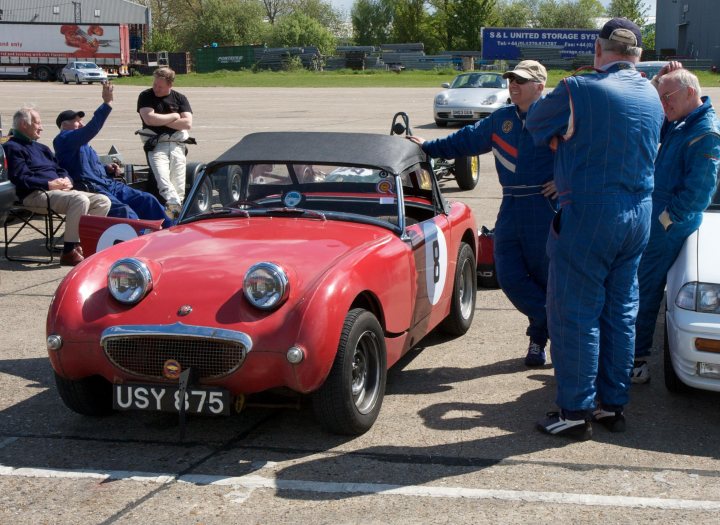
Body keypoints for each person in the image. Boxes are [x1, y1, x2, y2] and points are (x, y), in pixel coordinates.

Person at [526, 18, 665, 439]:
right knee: (621, 312)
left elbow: (536, 125)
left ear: (599, 51)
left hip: (589, 214)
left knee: (574, 313)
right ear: (638, 56)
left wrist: (563, 139)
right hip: (638, 214)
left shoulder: (579, 89)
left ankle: (575, 408)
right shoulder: (653, 96)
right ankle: (612, 404)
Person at [409, 60, 557, 367]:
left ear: (540, 87)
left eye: (521, 81)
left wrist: (567, 181)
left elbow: (586, 153)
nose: (513, 84)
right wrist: (429, 147)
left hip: (545, 208)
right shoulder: (501, 120)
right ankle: (561, 324)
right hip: (512, 205)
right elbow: (464, 140)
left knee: (546, 277)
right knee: (509, 275)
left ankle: (538, 340)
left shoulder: (557, 116)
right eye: (511, 79)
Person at [632, 65, 720, 383]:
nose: (663, 104)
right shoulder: (682, 121)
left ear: (690, 93)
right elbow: (657, 124)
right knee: (640, 283)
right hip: (659, 216)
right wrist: (659, 82)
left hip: (669, 223)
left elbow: (699, 193)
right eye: (662, 97)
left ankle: (638, 360)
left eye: (667, 97)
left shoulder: (705, 132)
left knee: (645, 285)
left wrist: (667, 221)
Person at [53, 82, 173, 229]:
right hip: (91, 188)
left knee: (147, 199)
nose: (81, 124)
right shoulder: (63, 139)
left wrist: (106, 168)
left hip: (107, 183)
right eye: (77, 122)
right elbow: (92, 129)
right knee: (125, 212)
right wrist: (107, 103)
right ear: (64, 125)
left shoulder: (82, 144)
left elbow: (88, 166)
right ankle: (139, 239)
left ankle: (170, 229)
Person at [4, 105, 111, 266]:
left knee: (103, 200)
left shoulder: (42, 148)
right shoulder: (12, 147)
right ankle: (69, 251)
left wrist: (67, 180)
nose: (41, 127)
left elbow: (60, 169)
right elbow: (20, 177)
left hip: (58, 192)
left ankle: (84, 244)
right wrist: (48, 184)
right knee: (79, 200)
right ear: (24, 125)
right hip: (35, 194)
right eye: (38, 123)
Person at [137, 67, 193, 217]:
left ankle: (175, 215)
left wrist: (161, 120)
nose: (155, 88)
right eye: (154, 84)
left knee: (179, 183)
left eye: (160, 86)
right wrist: (175, 116)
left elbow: (187, 124)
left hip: (177, 145)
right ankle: (175, 207)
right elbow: (149, 119)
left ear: (170, 85)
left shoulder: (180, 98)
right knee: (163, 180)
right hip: (157, 146)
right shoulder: (146, 96)